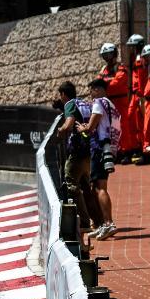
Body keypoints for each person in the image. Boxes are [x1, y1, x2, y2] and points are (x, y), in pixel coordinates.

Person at [54, 82, 102, 234]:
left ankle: (83, 222)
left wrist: (60, 131)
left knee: (71, 184)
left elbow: (68, 124)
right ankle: (98, 221)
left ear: (63, 94)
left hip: (77, 151)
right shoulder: (84, 103)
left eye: (60, 95)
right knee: (86, 187)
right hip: (89, 149)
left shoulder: (69, 104)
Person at [76, 78, 121, 240]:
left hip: (99, 149)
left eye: (91, 91)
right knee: (97, 185)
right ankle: (103, 224)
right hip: (109, 149)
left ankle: (108, 223)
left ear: (97, 89)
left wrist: (83, 128)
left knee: (100, 187)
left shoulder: (98, 103)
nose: (91, 95)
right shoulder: (112, 105)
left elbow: (90, 128)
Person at [97, 43, 132, 158]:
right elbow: (98, 84)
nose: (107, 58)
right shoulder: (104, 70)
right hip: (109, 102)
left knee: (123, 126)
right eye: (105, 55)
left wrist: (105, 82)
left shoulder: (121, 68)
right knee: (111, 128)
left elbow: (116, 84)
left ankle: (126, 152)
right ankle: (115, 152)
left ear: (114, 54)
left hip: (120, 101)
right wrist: (106, 81)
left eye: (109, 54)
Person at [122, 34, 146, 158]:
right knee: (131, 119)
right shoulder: (137, 57)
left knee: (140, 122)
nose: (130, 49)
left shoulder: (139, 59)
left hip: (139, 94)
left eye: (132, 46)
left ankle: (142, 148)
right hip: (135, 94)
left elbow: (141, 78)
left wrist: (141, 96)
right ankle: (136, 146)